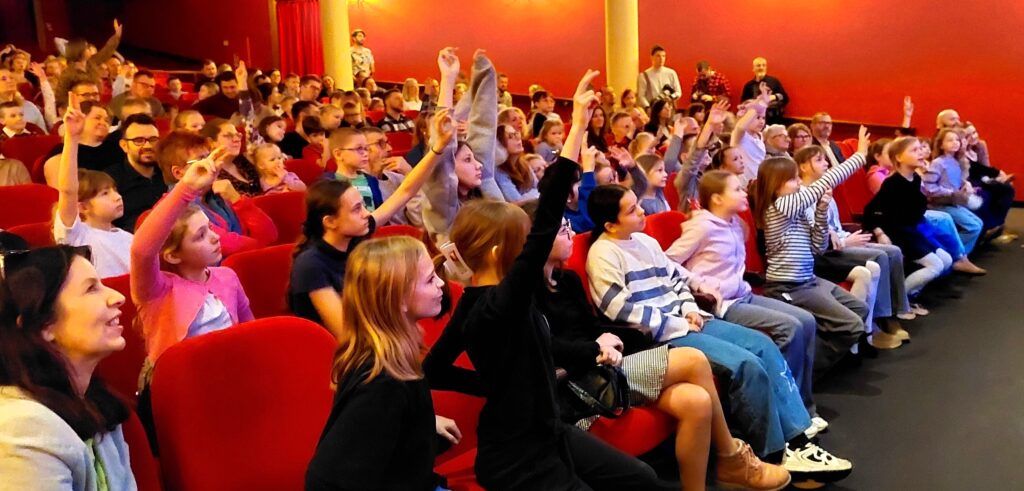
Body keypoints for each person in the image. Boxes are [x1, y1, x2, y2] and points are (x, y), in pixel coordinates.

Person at [425, 68, 692, 491]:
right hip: (518, 455)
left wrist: (498, 386)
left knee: (640, 478)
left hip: (546, 431)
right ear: (498, 253)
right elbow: (547, 214)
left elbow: (434, 369)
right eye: (523, 243)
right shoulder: (498, 302)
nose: (530, 249)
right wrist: (578, 127)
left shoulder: (481, 301)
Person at [585, 182, 850, 483]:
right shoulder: (603, 253)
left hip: (687, 321)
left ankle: (797, 438)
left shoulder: (646, 242)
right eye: (632, 210)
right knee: (746, 365)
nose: (642, 211)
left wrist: (690, 309)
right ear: (610, 224)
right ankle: (775, 452)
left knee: (762, 345)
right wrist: (678, 323)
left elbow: (676, 282)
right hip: (662, 336)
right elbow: (619, 309)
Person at [667, 170, 822, 428]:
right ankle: (786, 410)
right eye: (736, 190)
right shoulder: (702, 226)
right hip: (722, 304)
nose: (744, 193)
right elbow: (668, 261)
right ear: (717, 198)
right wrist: (700, 283)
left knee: (806, 321)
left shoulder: (736, 224)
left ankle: (803, 405)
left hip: (743, 294)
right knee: (790, 327)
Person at [305, 236, 459, 491]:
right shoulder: (382, 385)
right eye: (430, 279)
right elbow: (325, 481)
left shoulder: (392, 357)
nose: (441, 283)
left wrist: (422, 423)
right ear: (398, 299)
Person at [288, 109, 453, 338]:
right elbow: (347, 333)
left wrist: (438, 148)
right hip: (338, 350)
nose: (367, 214)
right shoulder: (311, 265)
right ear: (330, 222)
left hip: (371, 335)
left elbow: (405, 191)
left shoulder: (354, 236)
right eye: (357, 209)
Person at [0, 246, 136, 489]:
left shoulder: (96, 402)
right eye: (91, 288)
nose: (117, 296)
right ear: (43, 324)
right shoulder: (22, 430)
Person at [131, 147, 254, 401]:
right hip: (180, 387)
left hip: (227, 376)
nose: (215, 238)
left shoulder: (227, 276)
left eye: (210, 228)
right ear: (173, 256)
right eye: (200, 236)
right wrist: (186, 189)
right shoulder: (156, 291)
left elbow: (249, 331)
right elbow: (142, 250)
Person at [751, 127, 871, 379]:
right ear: (776, 185)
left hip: (809, 279)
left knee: (859, 310)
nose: (799, 184)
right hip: (788, 285)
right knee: (851, 325)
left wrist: (821, 211)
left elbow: (818, 246)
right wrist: (859, 157)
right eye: (793, 180)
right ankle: (805, 371)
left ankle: (814, 358)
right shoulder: (779, 206)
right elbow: (825, 181)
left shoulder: (795, 208)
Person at [795, 146, 911, 349]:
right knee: (880, 256)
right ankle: (880, 319)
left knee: (893, 251)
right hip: (830, 250)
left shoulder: (825, 189)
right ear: (803, 167)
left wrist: (847, 236)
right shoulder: (804, 195)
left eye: (825, 159)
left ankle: (895, 312)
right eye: (819, 160)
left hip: (843, 238)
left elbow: (836, 226)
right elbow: (818, 234)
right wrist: (845, 241)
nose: (826, 163)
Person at [863, 137, 966, 297]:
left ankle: (913, 293)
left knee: (946, 260)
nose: (920, 153)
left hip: (913, 230)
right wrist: (880, 233)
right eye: (914, 150)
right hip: (899, 233)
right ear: (899, 157)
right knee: (936, 266)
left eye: (920, 149)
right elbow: (870, 211)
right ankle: (900, 300)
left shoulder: (915, 178)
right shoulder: (892, 183)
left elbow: (917, 209)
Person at [155, 131, 278, 256]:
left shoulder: (219, 193)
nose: (211, 164)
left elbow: (269, 234)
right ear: (178, 173)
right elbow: (224, 244)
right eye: (202, 160)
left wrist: (237, 199)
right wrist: (261, 246)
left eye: (211, 157)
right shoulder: (173, 209)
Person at [53, 92, 133, 278]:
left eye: (115, 190)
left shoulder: (129, 238)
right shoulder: (76, 235)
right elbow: (68, 191)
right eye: (105, 193)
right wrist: (72, 137)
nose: (117, 197)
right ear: (82, 207)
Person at [922, 128, 984, 256]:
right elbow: (928, 187)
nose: (955, 142)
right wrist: (950, 192)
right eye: (950, 140)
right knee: (973, 227)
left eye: (957, 140)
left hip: (954, 202)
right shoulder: (938, 163)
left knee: (979, 223)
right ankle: (954, 252)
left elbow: (955, 180)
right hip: (941, 204)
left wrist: (965, 184)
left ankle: (958, 254)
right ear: (941, 145)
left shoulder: (957, 161)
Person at [42, 101, 124, 185]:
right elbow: (60, 187)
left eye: (107, 120)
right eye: (97, 118)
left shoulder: (116, 147)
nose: (103, 123)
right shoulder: (62, 151)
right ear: (79, 120)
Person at [200, 119, 262, 197]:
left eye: (238, 135)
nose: (237, 139)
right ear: (211, 142)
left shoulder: (243, 160)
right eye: (228, 136)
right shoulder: (209, 174)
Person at [732, 83, 770, 185]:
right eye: (757, 118)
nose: (761, 121)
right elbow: (740, 127)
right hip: (743, 184)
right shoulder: (740, 136)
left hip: (758, 182)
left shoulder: (760, 135)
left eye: (763, 118)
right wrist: (757, 106)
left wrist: (761, 99)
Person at [740, 58, 788, 125]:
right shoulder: (749, 85)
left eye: (763, 65)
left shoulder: (774, 81)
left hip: (772, 119)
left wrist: (773, 97)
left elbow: (785, 98)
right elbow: (743, 103)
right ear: (753, 68)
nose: (761, 67)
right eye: (758, 65)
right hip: (754, 120)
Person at [636, 45, 682, 109]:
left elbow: (678, 92)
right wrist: (648, 107)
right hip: (652, 108)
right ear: (652, 57)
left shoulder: (671, 73)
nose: (661, 59)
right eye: (658, 56)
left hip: (668, 108)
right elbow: (641, 96)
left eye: (663, 56)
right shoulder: (644, 75)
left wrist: (671, 97)